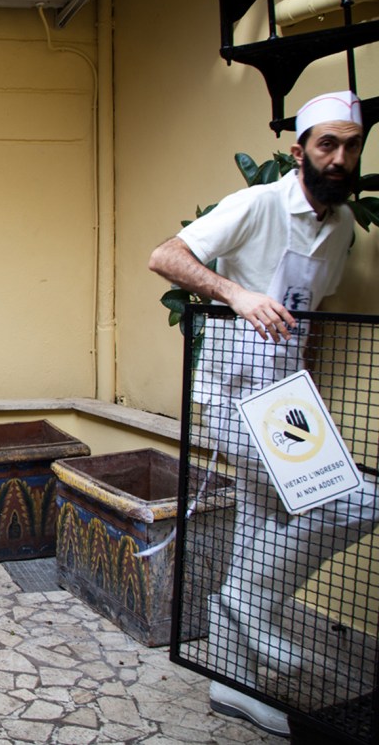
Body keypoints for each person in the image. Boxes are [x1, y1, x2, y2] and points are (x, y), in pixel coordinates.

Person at [148, 90, 375, 737]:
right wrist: (237, 293)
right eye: (326, 144)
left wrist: (313, 393)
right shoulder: (258, 203)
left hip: (286, 404)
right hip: (231, 396)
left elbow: (310, 318)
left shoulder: (341, 228)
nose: (339, 156)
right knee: (349, 497)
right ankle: (247, 600)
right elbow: (166, 254)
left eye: (350, 144)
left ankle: (234, 682)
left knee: (261, 522)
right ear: (299, 150)